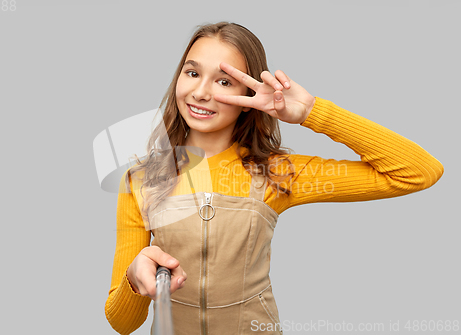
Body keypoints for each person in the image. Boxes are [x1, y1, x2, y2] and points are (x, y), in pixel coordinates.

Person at [104, 21, 443, 335]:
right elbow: (122, 323)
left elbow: (418, 171)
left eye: (224, 81)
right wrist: (135, 282)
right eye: (192, 73)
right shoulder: (140, 181)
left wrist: (313, 113)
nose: (201, 92)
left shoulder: (278, 173)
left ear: (249, 97)